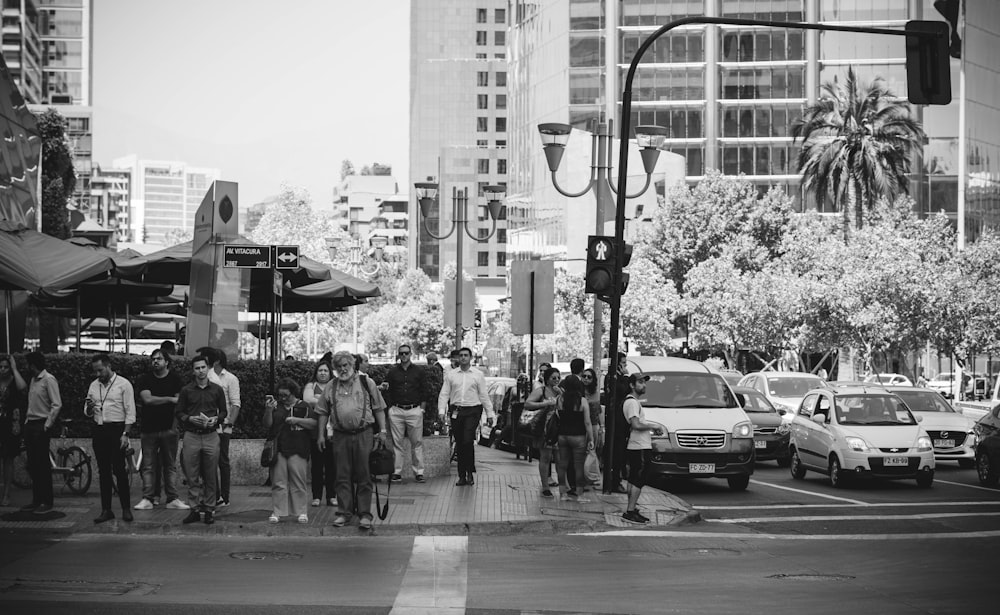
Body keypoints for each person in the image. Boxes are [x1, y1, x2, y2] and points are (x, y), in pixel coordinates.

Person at [315, 350, 387, 530]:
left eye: (345, 365)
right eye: (339, 366)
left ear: (352, 365)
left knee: (364, 475)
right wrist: (321, 435)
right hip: (340, 436)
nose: (342, 369)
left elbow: (379, 408)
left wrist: (383, 430)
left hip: (364, 433)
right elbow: (322, 412)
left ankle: (364, 514)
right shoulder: (331, 386)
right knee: (342, 476)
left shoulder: (366, 382)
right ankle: (344, 513)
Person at [175, 354, 227, 525]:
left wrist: (216, 419)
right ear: (193, 371)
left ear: (208, 368)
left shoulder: (217, 389)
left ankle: (210, 508)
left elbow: (224, 412)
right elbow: (179, 412)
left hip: (211, 434)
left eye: (203, 367)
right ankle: (195, 509)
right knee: (192, 474)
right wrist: (189, 419)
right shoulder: (186, 390)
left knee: (211, 473)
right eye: (197, 368)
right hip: (192, 435)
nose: (200, 371)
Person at [134, 349, 189, 511]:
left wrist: (173, 405)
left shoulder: (175, 380)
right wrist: (170, 399)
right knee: (148, 466)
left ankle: (172, 498)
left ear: (167, 362)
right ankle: (148, 498)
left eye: (159, 359)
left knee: (170, 465)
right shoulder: (145, 379)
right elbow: (147, 399)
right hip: (149, 428)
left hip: (169, 429)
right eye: (153, 359)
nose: (155, 361)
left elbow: (180, 403)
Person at [85, 354, 137, 524]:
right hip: (99, 429)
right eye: (95, 371)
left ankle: (126, 508)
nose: (98, 374)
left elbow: (130, 412)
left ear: (108, 366)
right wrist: (89, 409)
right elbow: (86, 409)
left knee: (119, 470)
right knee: (103, 471)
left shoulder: (124, 384)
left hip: (117, 429)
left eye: (100, 370)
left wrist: (126, 434)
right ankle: (106, 509)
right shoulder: (94, 385)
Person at [438, 347, 494, 486]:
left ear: (470, 358)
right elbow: (444, 393)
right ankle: (462, 474)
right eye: (461, 355)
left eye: (466, 355)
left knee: (467, 440)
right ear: (458, 358)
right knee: (460, 442)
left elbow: (483, 395)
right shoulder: (451, 375)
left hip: (473, 410)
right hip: (457, 411)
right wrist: (441, 410)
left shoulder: (477, 374)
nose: (463, 358)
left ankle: (469, 472)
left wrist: (490, 413)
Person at [264, 378, 316, 524]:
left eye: (286, 395)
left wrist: (297, 420)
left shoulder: (304, 406)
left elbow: (313, 424)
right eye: (280, 395)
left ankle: (301, 511)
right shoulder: (276, 406)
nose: (283, 398)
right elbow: (267, 424)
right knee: (278, 482)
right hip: (279, 448)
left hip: (298, 447)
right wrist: (268, 410)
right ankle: (278, 511)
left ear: (294, 393)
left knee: (298, 481)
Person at [21, 351, 61, 514]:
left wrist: (47, 424)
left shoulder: (48, 380)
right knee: (33, 464)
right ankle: (36, 499)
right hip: (31, 423)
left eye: (28, 364)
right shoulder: (33, 380)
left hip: (41, 424)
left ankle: (47, 500)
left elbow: (56, 403)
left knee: (43, 465)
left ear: (33, 365)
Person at [383, 344, 429, 484]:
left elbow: (425, 390)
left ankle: (419, 472)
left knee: (417, 443)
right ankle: (397, 472)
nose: (404, 356)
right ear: (398, 355)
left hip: (414, 410)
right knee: (397, 443)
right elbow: (388, 390)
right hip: (396, 410)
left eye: (406, 353)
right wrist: (390, 409)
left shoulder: (419, 371)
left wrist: (422, 409)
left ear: (410, 354)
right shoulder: (392, 372)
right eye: (401, 353)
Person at [201, 348, 241, 509]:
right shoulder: (205, 375)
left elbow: (235, 403)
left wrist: (229, 423)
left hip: (224, 424)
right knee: (208, 460)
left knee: (222, 460)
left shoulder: (231, 378)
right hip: (207, 424)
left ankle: (224, 496)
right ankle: (213, 495)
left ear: (216, 360)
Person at [622, 373, 661, 524]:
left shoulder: (632, 402)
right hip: (639, 446)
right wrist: (654, 426)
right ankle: (630, 511)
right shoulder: (632, 403)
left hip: (636, 445)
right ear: (632, 385)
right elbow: (636, 425)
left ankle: (631, 509)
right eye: (640, 382)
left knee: (633, 477)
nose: (643, 385)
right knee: (639, 478)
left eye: (644, 383)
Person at [555, 375, 594, 502]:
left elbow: (558, 417)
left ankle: (562, 494)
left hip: (562, 436)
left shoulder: (560, 399)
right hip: (578, 437)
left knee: (562, 465)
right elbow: (587, 423)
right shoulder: (582, 401)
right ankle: (580, 495)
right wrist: (591, 439)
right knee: (578, 466)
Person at [524, 366, 562, 497]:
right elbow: (527, 404)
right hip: (545, 428)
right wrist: (544, 404)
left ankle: (563, 485)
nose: (556, 380)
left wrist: (561, 394)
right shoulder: (541, 391)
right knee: (545, 457)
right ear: (547, 379)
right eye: (553, 378)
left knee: (560, 458)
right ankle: (545, 486)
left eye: (558, 378)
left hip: (558, 428)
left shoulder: (561, 392)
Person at [302, 361, 336, 506]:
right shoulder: (311, 386)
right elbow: (308, 400)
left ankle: (331, 496)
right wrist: (327, 403)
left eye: (325, 371)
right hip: (315, 431)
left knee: (332, 465)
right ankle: (316, 496)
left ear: (330, 373)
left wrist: (319, 402)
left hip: (334, 430)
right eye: (320, 370)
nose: (323, 373)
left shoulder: (336, 384)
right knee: (316, 465)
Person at [0, 354, 27, 507]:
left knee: (8, 458)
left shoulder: (13, 382)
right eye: (0, 367)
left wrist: (15, 369)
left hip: (9, 425)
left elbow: (23, 387)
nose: (3, 370)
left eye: (6, 367)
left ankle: (7, 493)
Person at [603, 352, 631, 493]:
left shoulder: (616, 377)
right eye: (623, 362)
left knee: (620, 451)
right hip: (616, 419)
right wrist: (625, 376)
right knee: (616, 451)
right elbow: (623, 390)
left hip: (621, 419)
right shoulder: (613, 378)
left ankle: (616, 479)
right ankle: (614, 481)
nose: (625, 365)